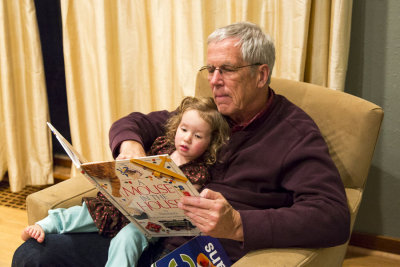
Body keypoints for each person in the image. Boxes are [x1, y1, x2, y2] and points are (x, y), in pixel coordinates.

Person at [13, 21, 350, 266]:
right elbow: (135, 123)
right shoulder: (208, 112)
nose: (214, 82)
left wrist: (237, 224)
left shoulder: (294, 134)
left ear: (261, 75)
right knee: (31, 256)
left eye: (227, 70)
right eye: (210, 69)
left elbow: (333, 217)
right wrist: (130, 148)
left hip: (196, 256)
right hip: (141, 237)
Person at [18, 96, 230, 267]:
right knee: (84, 212)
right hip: (125, 205)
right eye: (184, 130)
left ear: (211, 142)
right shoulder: (161, 146)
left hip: (150, 222)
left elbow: (183, 203)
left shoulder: (199, 172)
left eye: (198, 136)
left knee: (127, 240)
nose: (186, 139)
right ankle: (45, 225)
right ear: (176, 126)